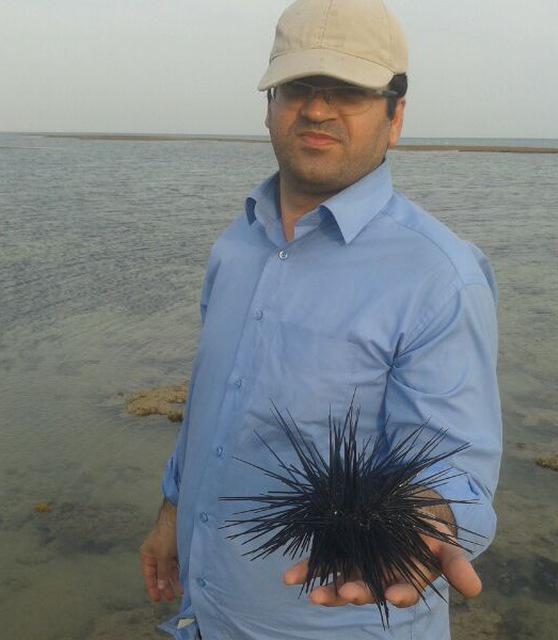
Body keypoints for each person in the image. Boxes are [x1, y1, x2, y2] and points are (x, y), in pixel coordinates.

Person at [140, 0, 502, 638]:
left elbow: (453, 468)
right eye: (298, 87)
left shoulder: (439, 276)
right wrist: (173, 509)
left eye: (349, 91)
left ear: (396, 117)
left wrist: (433, 523)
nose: (315, 109)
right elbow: (210, 404)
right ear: (270, 105)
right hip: (207, 614)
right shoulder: (235, 245)